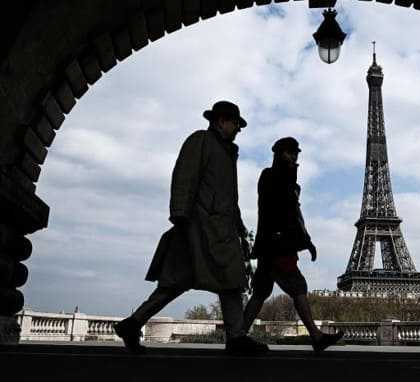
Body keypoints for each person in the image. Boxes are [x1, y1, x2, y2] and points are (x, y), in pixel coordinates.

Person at [114, 101, 268, 356]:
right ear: (221, 120)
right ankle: (236, 337)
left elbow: (230, 198)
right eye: (235, 123)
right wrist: (180, 216)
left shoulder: (225, 151)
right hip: (201, 227)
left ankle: (134, 323)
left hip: (218, 229)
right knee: (197, 281)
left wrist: (239, 228)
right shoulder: (201, 141)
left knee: (219, 280)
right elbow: (183, 177)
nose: (239, 129)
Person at [243, 137, 343, 353]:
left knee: (260, 292)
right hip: (278, 246)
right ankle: (316, 336)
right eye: (290, 152)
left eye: (296, 153)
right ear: (278, 154)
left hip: (271, 245)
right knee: (298, 286)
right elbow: (282, 211)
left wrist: (306, 241)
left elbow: (293, 215)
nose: (294, 156)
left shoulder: (287, 180)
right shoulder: (273, 177)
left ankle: (237, 335)